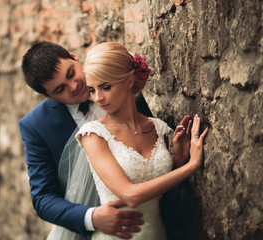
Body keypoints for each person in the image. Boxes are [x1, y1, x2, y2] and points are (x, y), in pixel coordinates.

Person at [19, 41, 154, 239]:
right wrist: (92, 217)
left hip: (144, 219)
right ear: (46, 95)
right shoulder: (36, 125)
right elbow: (43, 198)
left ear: (74, 57)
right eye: (60, 89)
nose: (74, 86)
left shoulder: (120, 87)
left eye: (71, 73)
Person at [75, 42, 209, 239]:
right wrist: (191, 165)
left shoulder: (159, 128)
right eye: (92, 90)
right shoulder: (93, 135)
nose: (97, 98)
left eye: (105, 87)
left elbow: (168, 202)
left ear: (129, 81)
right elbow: (131, 195)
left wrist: (179, 160)